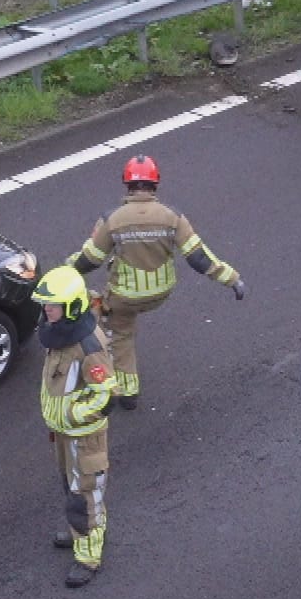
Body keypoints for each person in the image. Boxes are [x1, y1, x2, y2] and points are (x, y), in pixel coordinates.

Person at [67, 155, 244, 411]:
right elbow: (198, 257)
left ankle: (126, 392)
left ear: (127, 184)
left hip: (124, 297)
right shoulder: (173, 217)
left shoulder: (112, 219)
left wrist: (66, 272)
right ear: (155, 184)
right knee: (123, 320)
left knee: (120, 333)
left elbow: (91, 259)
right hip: (161, 293)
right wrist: (233, 279)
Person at [33, 265, 116, 588]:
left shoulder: (88, 347)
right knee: (71, 488)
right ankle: (79, 531)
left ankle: (89, 555)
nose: (46, 311)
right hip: (64, 434)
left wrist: (73, 414)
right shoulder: (60, 332)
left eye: (51, 306)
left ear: (70, 307)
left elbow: (106, 395)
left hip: (84, 438)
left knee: (85, 495)